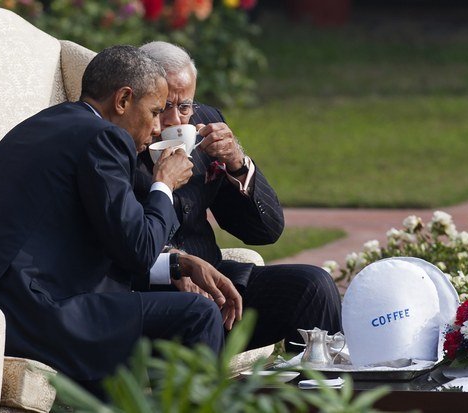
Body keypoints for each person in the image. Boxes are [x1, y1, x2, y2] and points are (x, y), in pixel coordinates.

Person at [0, 45, 242, 394]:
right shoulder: (105, 138)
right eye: (154, 112)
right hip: (33, 312)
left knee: (125, 315)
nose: (156, 128)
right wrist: (163, 185)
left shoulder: (38, 126)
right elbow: (139, 248)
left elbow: (109, 239)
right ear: (123, 100)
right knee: (198, 313)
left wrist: (178, 265)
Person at [137, 41, 341, 351]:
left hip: (218, 285)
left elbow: (264, 231)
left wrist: (237, 162)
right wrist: (175, 263)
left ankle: (321, 393)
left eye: (185, 106)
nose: (177, 121)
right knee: (197, 312)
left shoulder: (203, 125)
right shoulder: (119, 140)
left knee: (314, 286)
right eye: (164, 106)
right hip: (157, 296)